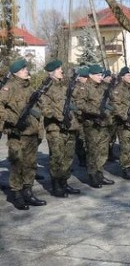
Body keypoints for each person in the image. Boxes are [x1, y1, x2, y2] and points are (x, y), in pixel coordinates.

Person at [1, 58, 47, 209]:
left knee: (30, 164)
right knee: (17, 164)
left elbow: (39, 107)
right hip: (17, 133)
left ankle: (28, 192)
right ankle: (17, 195)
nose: (27, 71)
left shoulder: (29, 87)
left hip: (31, 132)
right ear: (16, 72)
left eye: (26, 68)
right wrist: (12, 120)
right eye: (23, 69)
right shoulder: (9, 87)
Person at [40, 59, 82, 196]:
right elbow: (45, 109)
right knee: (57, 158)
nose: (61, 71)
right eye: (59, 69)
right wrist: (60, 117)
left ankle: (64, 183)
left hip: (69, 127)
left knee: (68, 157)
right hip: (55, 129)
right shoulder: (46, 87)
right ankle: (56, 185)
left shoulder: (64, 87)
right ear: (52, 72)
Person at [77, 64, 116, 188]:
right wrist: (96, 111)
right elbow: (80, 104)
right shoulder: (85, 88)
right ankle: (93, 175)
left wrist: (108, 114)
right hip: (92, 124)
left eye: (101, 75)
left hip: (104, 123)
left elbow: (111, 102)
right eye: (98, 75)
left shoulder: (104, 87)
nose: (101, 77)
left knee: (103, 150)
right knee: (93, 151)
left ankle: (100, 173)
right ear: (90, 75)